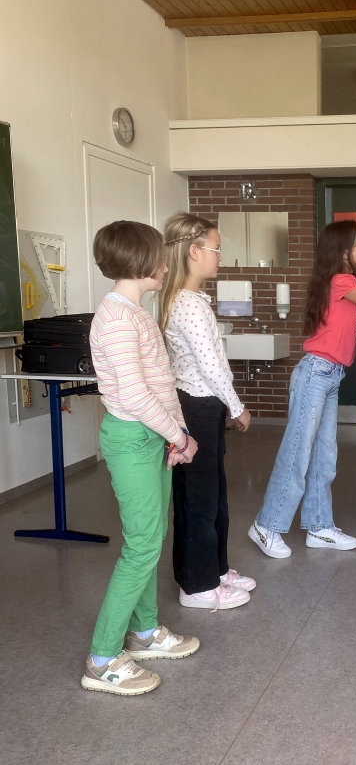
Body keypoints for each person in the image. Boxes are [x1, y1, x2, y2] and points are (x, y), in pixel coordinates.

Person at [82, 221, 200, 697]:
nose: (167, 265)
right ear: (140, 261)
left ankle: (145, 632)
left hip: (154, 436)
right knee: (141, 546)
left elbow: (161, 384)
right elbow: (132, 395)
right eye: (159, 256)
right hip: (132, 438)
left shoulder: (136, 312)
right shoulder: (114, 318)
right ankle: (102, 659)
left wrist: (177, 436)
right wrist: (178, 436)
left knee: (151, 539)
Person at [248, 220, 356, 558]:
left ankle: (319, 526)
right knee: (298, 453)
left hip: (330, 376)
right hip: (315, 373)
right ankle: (266, 525)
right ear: (344, 252)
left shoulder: (349, 282)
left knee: (324, 456)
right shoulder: (342, 281)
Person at [159, 213, 255, 611]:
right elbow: (211, 366)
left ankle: (215, 570)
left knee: (212, 495)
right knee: (200, 499)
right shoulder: (188, 303)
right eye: (216, 249)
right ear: (194, 252)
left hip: (201, 405)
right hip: (197, 407)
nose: (220, 256)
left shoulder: (191, 300)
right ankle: (197, 586)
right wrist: (237, 406)